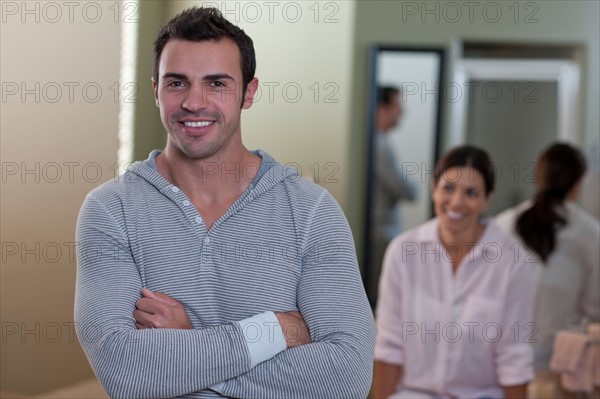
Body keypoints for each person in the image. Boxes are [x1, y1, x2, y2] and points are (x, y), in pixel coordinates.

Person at [74, 7, 375, 399]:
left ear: (248, 93)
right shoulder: (110, 210)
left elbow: (346, 377)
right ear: (155, 90)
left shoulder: (312, 211)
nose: (194, 103)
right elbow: (125, 370)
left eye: (216, 84)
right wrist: (277, 330)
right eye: (177, 83)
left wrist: (190, 341)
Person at [372, 145, 534, 399]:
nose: (457, 202)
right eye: (448, 188)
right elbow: (389, 345)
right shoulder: (403, 252)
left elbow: (513, 356)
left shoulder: (510, 261)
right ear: (434, 188)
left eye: (471, 192)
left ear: (487, 199)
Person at [495, 142, 600, 372]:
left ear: (538, 177)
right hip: (562, 364)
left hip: (501, 358)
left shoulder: (501, 225)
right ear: (577, 185)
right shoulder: (591, 234)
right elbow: (594, 309)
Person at [368, 86, 417, 306]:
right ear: (382, 108)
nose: (402, 112)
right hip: (380, 234)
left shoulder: (381, 142)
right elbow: (405, 189)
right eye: (398, 105)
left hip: (382, 232)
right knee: (381, 301)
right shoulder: (378, 144)